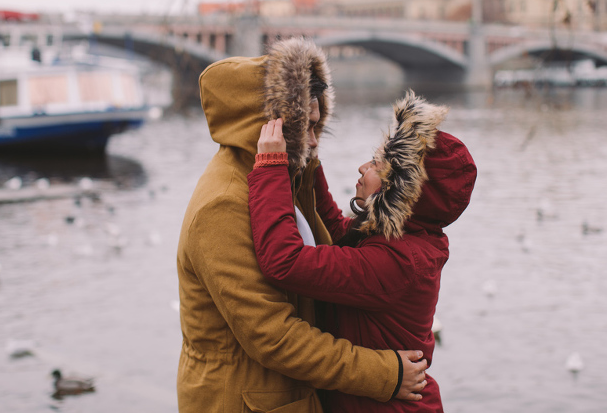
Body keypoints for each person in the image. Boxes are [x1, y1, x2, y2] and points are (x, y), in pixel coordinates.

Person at [177, 38, 428, 413]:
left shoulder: (282, 182)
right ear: (268, 127)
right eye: (304, 128)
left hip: (288, 396)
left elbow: (335, 249)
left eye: (317, 126)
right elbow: (272, 336)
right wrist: (383, 374)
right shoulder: (223, 205)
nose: (314, 141)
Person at [248, 91, 478, 412]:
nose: (362, 167)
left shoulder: (396, 261)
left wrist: (270, 167)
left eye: (375, 164)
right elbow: (339, 233)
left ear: (397, 191)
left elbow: (285, 262)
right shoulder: (409, 236)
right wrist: (309, 159)